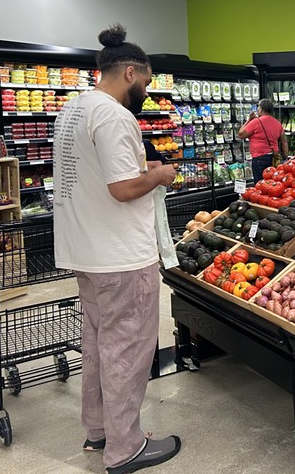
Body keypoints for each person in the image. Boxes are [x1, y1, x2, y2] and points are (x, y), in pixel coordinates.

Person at [53, 24, 181, 474]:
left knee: (100, 344)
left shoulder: (73, 110)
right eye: (145, 83)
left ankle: (99, 431)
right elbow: (124, 188)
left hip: (85, 252)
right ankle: (126, 448)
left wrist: (140, 168)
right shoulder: (113, 115)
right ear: (130, 72)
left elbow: (95, 175)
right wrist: (160, 175)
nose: (145, 91)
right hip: (121, 256)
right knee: (128, 349)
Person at [237, 98, 288, 182]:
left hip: (260, 158)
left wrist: (248, 120)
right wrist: (285, 157)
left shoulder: (256, 122)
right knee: (273, 182)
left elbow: (241, 134)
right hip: (274, 158)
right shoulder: (277, 123)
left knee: (260, 184)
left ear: (260, 109)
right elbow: (284, 141)